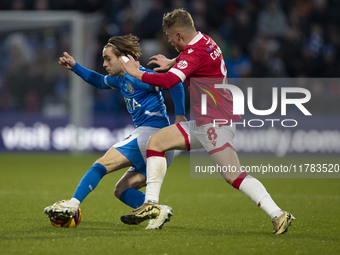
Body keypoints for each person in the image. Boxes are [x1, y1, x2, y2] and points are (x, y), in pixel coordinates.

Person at [119, 9, 294, 234]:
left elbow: (171, 81)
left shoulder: (194, 51)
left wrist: (136, 73)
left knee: (233, 175)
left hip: (215, 123)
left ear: (180, 35)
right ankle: (150, 203)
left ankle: (279, 214)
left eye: (171, 37)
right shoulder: (206, 40)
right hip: (203, 122)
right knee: (156, 142)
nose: (170, 41)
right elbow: (192, 58)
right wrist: (173, 60)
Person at [43, 34, 186, 230]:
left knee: (101, 165)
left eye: (107, 58)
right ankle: (158, 210)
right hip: (162, 149)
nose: (104, 63)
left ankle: (72, 204)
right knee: (122, 189)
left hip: (152, 135)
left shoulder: (140, 76)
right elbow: (99, 81)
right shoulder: (120, 79)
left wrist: (179, 116)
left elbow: (176, 82)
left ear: (123, 58)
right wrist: (75, 66)